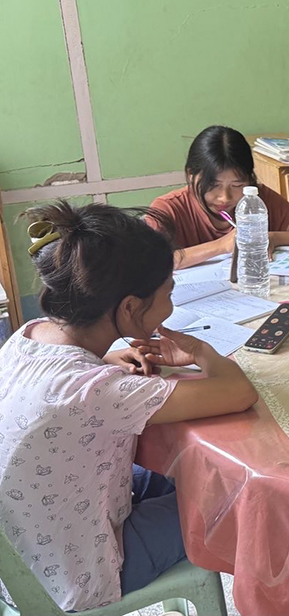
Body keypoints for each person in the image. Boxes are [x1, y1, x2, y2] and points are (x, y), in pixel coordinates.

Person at [0, 202, 258, 611]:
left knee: (193, 471)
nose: (170, 307)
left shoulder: (28, 335)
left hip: (32, 550)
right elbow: (239, 392)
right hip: (84, 572)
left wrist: (105, 361)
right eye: (168, 294)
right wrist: (199, 350)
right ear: (130, 308)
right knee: (244, 501)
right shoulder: (95, 392)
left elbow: (69, 384)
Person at [149, 125, 289, 269]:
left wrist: (274, 238)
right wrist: (222, 245)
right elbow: (153, 263)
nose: (224, 197)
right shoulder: (168, 209)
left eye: (237, 185)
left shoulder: (257, 199)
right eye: (213, 185)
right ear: (191, 175)